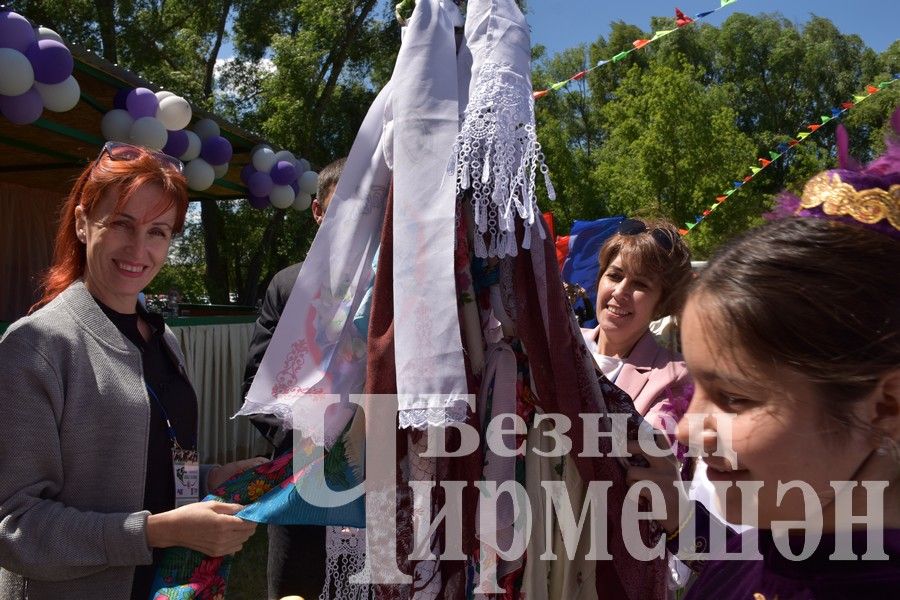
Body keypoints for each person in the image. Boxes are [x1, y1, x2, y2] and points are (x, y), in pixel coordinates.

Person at [628, 143, 900, 597]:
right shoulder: (775, 543)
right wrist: (681, 518)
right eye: (696, 386)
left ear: (885, 405)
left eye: (735, 397)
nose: (687, 430)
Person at [0, 142, 263, 600]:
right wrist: (155, 532)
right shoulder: (35, 346)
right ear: (82, 224)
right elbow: (14, 526)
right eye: (122, 223)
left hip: (169, 586)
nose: (139, 249)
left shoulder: (163, 339)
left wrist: (210, 479)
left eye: (158, 231)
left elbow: (148, 471)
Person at [241, 156, 346, 600]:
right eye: (342, 207)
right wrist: (312, 441)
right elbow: (258, 386)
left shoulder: (396, 285)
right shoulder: (289, 285)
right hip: (303, 479)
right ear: (318, 211)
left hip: (379, 476)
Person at [582, 217, 694, 436]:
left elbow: (649, 451)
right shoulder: (558, 343)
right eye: (614, 276)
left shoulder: (676, 376)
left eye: (640, 284)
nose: (620, 291)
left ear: (662, 303)